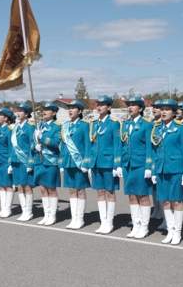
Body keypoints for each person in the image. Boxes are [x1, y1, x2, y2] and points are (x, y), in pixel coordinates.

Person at [151, 99, 183, 244]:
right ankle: (170, 229)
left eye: (167, 109)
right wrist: (154, 171)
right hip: (161, 169)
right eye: (162, 109)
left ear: (174, 113)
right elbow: (155, 152)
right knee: (165, 201)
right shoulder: (157, 128)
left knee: (177, 201)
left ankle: (178, 232)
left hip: (176, 169)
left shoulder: (180, 128)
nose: (163, 112)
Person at [118, 95, 153, 239]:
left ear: (140, 108)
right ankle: (136, 225)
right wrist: (120, 164)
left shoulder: (146, 124)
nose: (130, 107)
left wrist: (149, 166)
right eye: (129, 105)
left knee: (143, 196)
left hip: (140, 164)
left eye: (133, 105)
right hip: (128, 165)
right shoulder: (125, 124)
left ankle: (144, 226)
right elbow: (122, 145)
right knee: (132, 195)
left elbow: (150, 148)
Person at [89, 96, 121, 234]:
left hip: (108, 163)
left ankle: (109, 222)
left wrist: (116, 164)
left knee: (110, 192)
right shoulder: (94, 123)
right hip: (96, 162)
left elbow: (117, 144)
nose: (99, 107)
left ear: (108, 108)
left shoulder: (114, 123)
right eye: (98, 104)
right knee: (100, 192)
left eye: (102, 104)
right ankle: (103, 221)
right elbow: (92, 145)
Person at [60, 100, 91, 229]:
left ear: (79, 111)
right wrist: (62, 161)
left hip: (79, 163)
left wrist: (86, 162)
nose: (70, 110)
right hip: (68, 162)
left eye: (73, 108)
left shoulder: (84, 125)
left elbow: (88, 145)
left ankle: (80, 218)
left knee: (80, 189)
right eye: (69, 108)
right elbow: (62, 145)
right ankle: (74, 218)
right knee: (72, 190)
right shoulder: (65, 125)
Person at [34, 102, 61, 225]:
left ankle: (52, 215)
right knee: (42, 188)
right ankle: (46, 214)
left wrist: (43, 139)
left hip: (51, 161)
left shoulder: (57, 127)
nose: (44, 112)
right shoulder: (39, 125)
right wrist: (35, 146)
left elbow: (57, 143)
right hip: (39, 160)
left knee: (51, 188)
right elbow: (32, 141)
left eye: (47, 110)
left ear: (54, 113)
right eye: (43, 109)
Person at [0, 107, 15, 217]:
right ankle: (3, 208)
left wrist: (10, 163)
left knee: (8, 185)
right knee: (1, 185)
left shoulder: (9, 130)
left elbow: (11, 147)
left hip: (6, 160)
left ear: (6, 118)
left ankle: (8, 209)